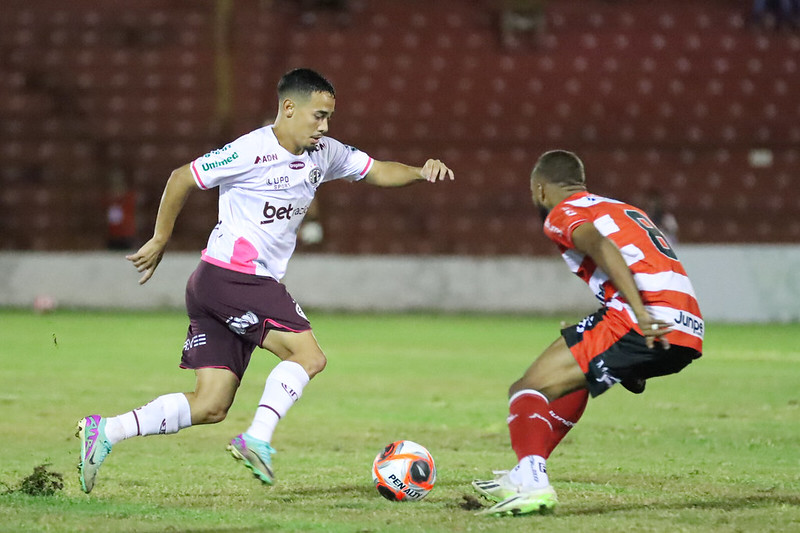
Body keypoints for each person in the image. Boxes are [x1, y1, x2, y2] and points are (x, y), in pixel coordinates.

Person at [76, 68, 454, 494]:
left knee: (211, 404)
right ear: (289, 109)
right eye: (319, 116)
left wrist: (420, 171)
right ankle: (257, 438)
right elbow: (182, 176)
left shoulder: (324, 152)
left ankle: (106, 430)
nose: (325, 126)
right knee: (309, 356)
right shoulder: (248, 151)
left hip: (216, 285)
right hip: (235, 278)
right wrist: (161, 237)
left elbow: (378, 170)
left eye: (329, 117)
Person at [472, 150, 703, 516]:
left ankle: (532, 481)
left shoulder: (562, 213)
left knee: (526, 389)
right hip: (686, 329)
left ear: (541, 190)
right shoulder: (623, 209)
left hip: (640, 320)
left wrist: (641, 314)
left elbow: (599, 245)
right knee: (573, 374)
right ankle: (524, 471)